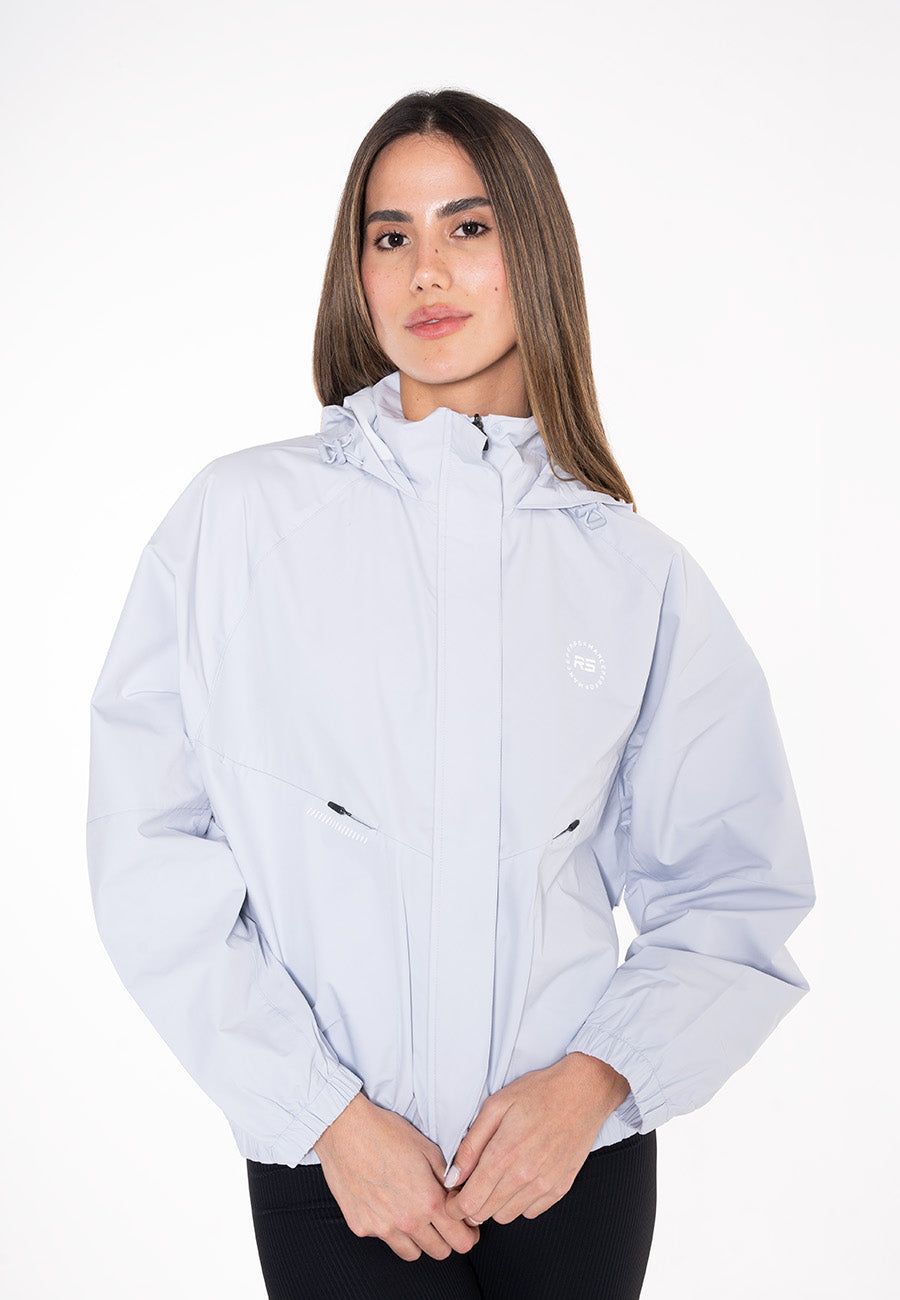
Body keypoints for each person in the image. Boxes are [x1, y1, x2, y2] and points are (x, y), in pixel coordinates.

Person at [86, 88, 815, 1299]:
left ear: (534, 250)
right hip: (339, 1168)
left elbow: (733, 890)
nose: (427, 269)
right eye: (391, 235)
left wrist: (595, 1081)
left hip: (570, 1167)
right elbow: (149, 846)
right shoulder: (240, 523)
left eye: (468, 227)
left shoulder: (635, 574)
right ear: (357, 271)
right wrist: (323, 1113)